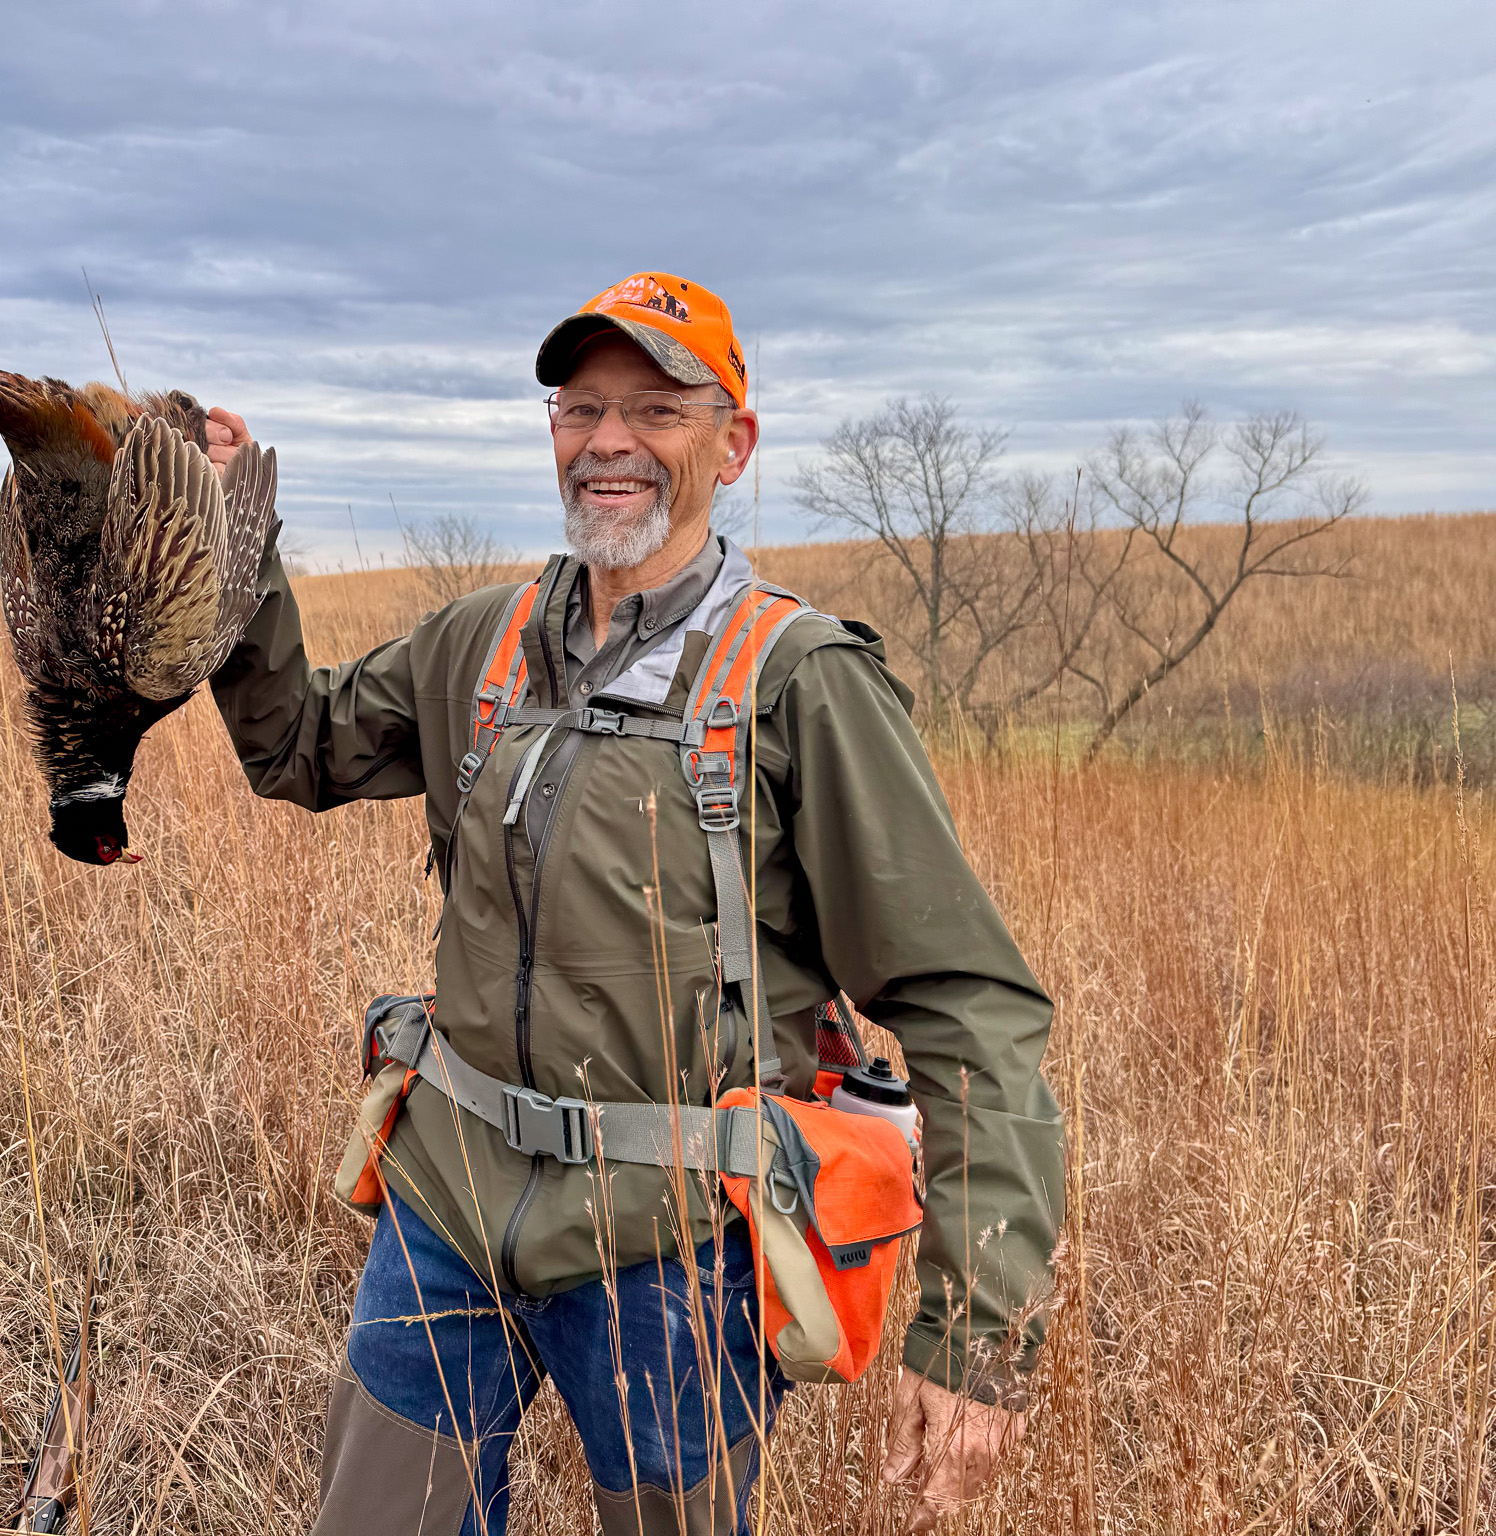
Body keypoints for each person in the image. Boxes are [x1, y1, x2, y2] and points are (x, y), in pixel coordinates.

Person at [199, 273, 1063, 1535]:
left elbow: (962, 1003)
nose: (608, 440)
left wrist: (972, 1324)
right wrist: (236, 542)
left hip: (673, 1249)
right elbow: (298, 747)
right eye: (580, 407)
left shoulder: (798, 680)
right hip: (444, 1199)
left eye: (656, 408)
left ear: (733, 441)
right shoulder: (480, 640)